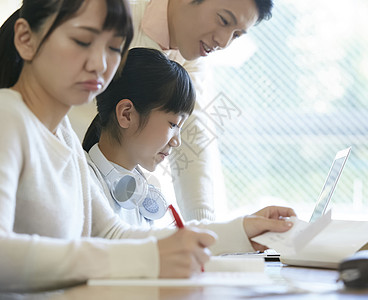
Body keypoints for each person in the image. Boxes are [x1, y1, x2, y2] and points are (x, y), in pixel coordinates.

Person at [0, 0, 295, 292]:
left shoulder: (63, 134)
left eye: (114, 48)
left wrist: (240, 230)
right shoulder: (8, 117)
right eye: (82, 41)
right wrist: (146, 259)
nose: (100, 64)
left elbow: (112, 234)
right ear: (26, 39)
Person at [68, 0, 274, 222]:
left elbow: (194, 139)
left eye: (236, 35)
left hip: (116, 199)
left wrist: (204, 228)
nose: (224, 42)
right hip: (70, 183)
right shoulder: (107, 19)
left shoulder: (192, 58)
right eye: (223, 20)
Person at [82, 47, 196, 227]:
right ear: (126, 114)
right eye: (173, 124)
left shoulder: (141, 192)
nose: (177, 141)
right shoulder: (82, 183)